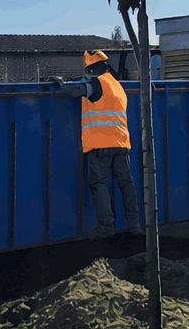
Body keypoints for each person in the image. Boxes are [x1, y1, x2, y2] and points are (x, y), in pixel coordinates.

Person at [51, 49, 140, 238]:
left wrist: (59, 82)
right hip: (122, 143)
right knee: (126, 183)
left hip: (100, 143)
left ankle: (106, 226)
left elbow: (74, 91)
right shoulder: (117, 86)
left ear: (90, 69)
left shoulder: (96, 83)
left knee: (98, 182)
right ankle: (134, 224)